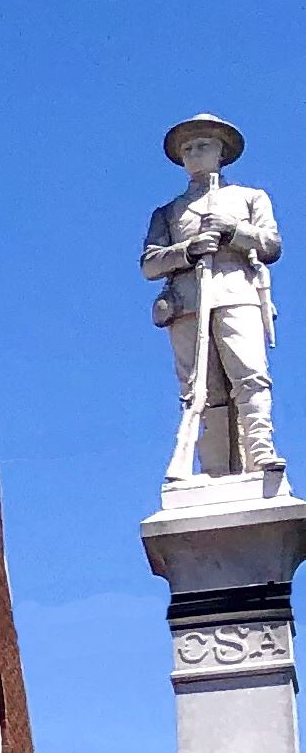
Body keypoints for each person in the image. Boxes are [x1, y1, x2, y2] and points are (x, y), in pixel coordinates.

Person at [144, 113, 281, 485]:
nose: (192, 153)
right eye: (186, 148)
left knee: (250, 374)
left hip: (238, 293)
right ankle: (214, 468)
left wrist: (233, 231)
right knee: (200, 391)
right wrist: (188, 250)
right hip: (187, 305)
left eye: (201, 145)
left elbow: (270, 244)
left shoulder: (249, 198)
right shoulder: (168, 212)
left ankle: (260, 450)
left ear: (221, 152)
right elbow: (149, 263)